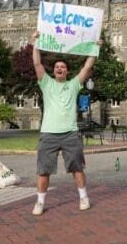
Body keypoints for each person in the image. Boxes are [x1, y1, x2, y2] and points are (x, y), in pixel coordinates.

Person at [30, 30, 98, 215]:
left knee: (77, 168)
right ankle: (40, 202)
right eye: (57, 67)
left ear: (67, 71)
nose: (60, 68)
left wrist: (95, 47)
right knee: (43, 170)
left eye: (63, 67)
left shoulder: (74, 84)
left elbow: (86, 67)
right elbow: (37, 62)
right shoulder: (46, 83)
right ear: (54, 71)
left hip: (70, 133)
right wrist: (35, 42)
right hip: (49, 134)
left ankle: (84, 197)